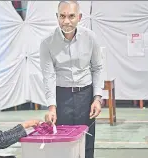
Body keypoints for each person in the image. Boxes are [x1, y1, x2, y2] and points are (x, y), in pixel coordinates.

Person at [40, 1, 104, 158]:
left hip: (86, 96)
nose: (66, 21)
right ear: (57, 17)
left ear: (79, 17)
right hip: (62, 97)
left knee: (87, 141)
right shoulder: (47, 42)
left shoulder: (90, 38)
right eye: (62, 16)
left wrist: (97, 98)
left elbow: (98, 68)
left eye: (71, 16)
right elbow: (48, 75)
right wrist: (52, 107)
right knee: (62, 143)